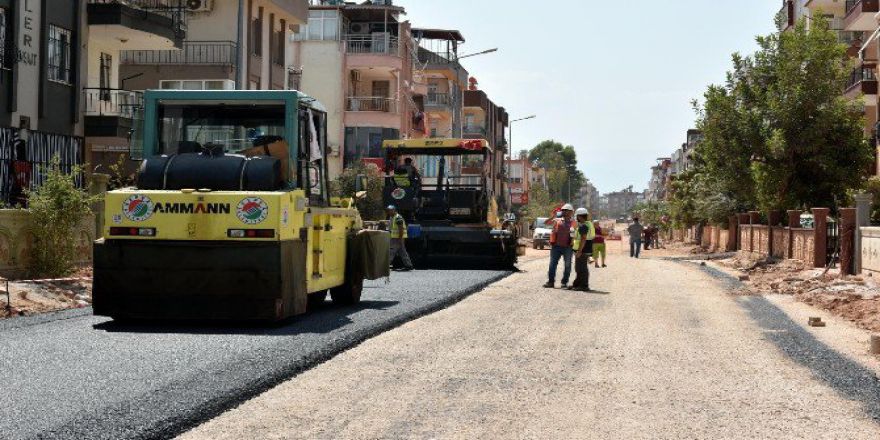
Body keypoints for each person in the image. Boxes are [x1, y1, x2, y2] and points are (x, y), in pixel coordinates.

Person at [543, 204, 576, 288]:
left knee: (567, 265)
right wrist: (552, 216)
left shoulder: (574, 222)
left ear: (571, 212)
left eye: (567, 210)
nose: (564, 212)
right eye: (563, 210)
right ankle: (551, 282)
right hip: (556, 247)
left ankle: (564, 282)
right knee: (552, 264)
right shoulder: (557, 220)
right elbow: (546, 223)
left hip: (568, 247)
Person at [570, 208, 596, 292]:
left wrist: (579, 251)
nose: (576, 218)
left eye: (577, 216)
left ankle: (584, 285)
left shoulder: (583, 225)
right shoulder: (588, 224)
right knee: (579, 267)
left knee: (582, 268)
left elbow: (583, 238)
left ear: (580, 216)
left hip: (583, 249)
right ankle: (577, 284)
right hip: (586, 247)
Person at [386, 205, 413, 271]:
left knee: (391, 252)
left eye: (390, 210)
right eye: (388, 210)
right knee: (402, 252)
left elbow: (401, 229)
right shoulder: (392, 217)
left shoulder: (398, 218)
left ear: (394, 210)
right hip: (396, 238)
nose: (388, 212)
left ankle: (385, 266)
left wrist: (400, 239)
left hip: (397, 238)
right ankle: (409, 265)